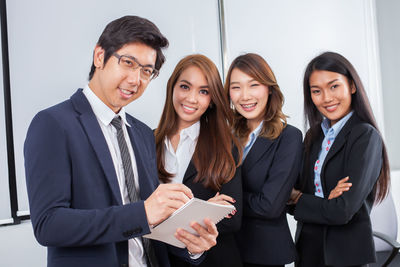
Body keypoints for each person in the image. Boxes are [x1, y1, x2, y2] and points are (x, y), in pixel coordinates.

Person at [24, 16, 219, 267]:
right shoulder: (54, 124)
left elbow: (152, 225)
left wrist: (191, 246)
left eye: (147, 71)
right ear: (99, 56)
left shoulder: (142, 133)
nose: (135, 80)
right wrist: (142, 213)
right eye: (128, 63)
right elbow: (48, 225)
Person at [290, 51, 391, 267]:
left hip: (345, 256)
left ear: (352, 86)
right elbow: (287, 197)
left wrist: (301, 199)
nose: (326, 98)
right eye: (316, 91)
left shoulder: (365, 136)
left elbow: (342, 211)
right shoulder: (313, 136)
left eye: (334, 86)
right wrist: (325, 201)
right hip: (307, 250)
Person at [154, 54, 243, 267]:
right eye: (185, 87)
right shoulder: (146, 141)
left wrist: (170, 218)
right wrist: (203, 209)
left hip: (214, 261)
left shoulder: (226, 146)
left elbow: (232, 218)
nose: (192, 99)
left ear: (212, 100)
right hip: (160, 260)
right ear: (172, 87)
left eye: (204, 91)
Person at [224, 53, 303, 267]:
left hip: (264, 254)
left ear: (269, 88)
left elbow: (270, 206)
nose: (245, 96)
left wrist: (224, 202)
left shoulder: (289, 137)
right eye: (236, 87)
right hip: (225, 250)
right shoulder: (225, 137)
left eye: (254, 85)